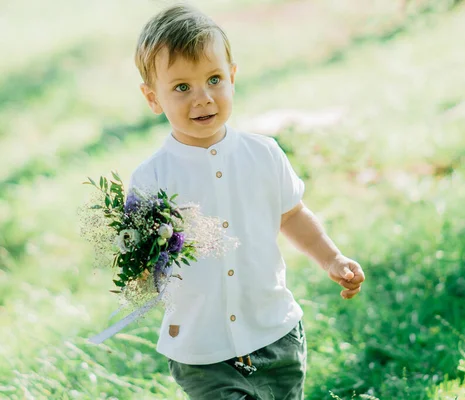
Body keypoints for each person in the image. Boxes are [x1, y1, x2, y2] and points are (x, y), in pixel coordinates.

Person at [129, 4, 365, 399]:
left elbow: (291, 214)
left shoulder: (264, 154)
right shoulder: (152, 178)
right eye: (182, 87)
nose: (202, 98)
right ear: (153, 98)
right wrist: (144, 267)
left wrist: (331, 258)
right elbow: (140, 259)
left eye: (214, 79)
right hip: (202, 351)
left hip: (275, 333)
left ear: (233, 77)